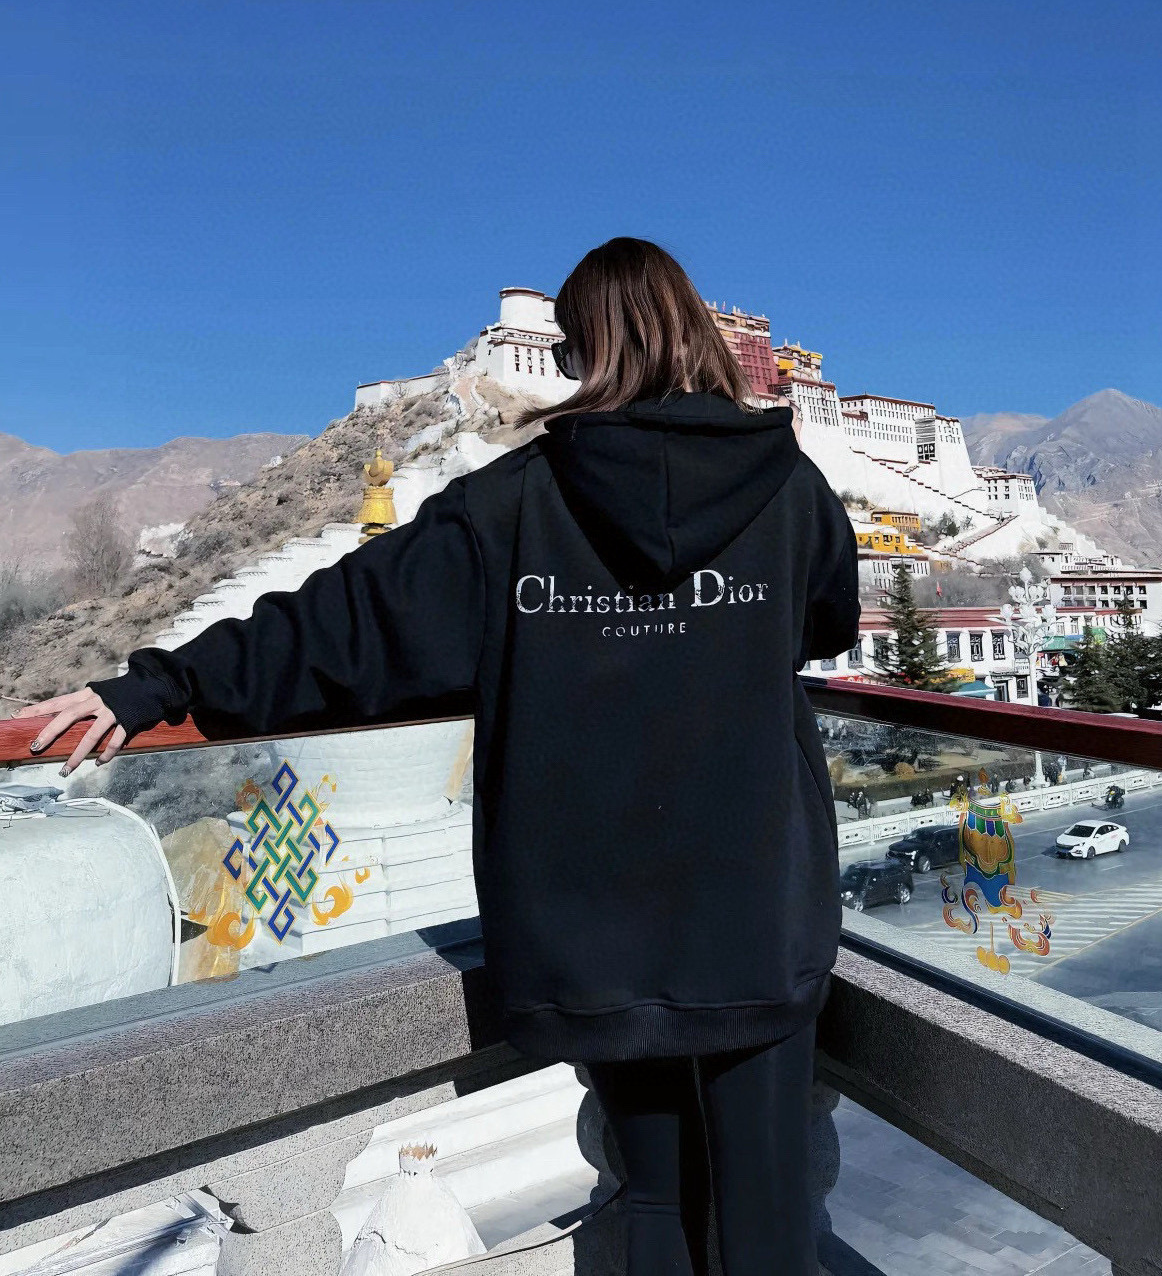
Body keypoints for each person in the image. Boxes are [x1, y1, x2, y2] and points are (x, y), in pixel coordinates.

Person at [19, 237, 860, 1276]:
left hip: (593, 925)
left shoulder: (512, 503)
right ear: (696, 331)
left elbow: (341, 629)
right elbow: (827, 620)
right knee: (768, 1209)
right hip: (754, 908)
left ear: (583, 350)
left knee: (648, 1196)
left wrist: (154, 687)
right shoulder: (789, 488)